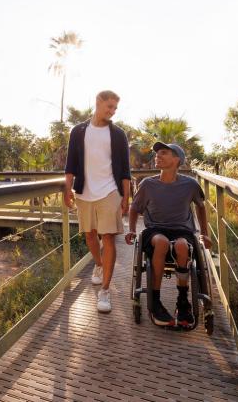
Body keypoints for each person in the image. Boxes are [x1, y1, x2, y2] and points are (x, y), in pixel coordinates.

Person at [125, 142, 211, 327]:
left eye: (164, 153)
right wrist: (131, 229)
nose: (158, 155)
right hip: (155, 230)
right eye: (157, 153)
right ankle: (155, 301)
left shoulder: (190, 184)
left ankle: (183, 301)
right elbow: (135, 208)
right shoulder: (148, 184)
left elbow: (201, 206)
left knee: (182, 246)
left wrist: (205, 234)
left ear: (177, 160)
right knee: (162, 242)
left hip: (182, 230)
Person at [64, 90, 131, 313]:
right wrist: (67, 188)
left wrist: (126, 196)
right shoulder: (78, 131)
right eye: (109, 106)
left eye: (115, 108)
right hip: (84, 191)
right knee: (90, 235)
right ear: (98, 102)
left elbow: (125, 170)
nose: (112, 112)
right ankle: (99, 265)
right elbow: (71, 164)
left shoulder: (118, 134)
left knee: (108, 237)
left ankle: (105, 291)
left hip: (110, 191)